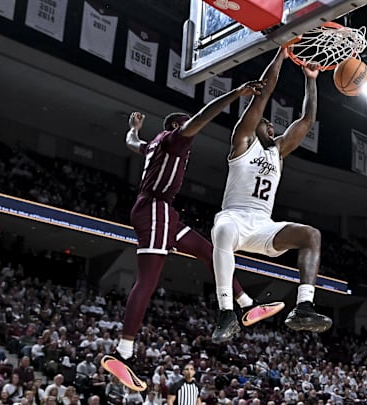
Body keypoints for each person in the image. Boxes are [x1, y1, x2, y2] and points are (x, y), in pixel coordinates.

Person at [101, 80, 285, 391]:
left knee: (207, 250)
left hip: (163, 212)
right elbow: (203, 116)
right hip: (155, 208)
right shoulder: (174, 139)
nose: (190, 128)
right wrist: (236, 94)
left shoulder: (152, 145)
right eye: (184, 123)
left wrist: (133, 128)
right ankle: (123, 352)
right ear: (175, 125)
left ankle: (245, 302)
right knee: (147, 280)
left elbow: (133, 142)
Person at [209, 47, 331, 342]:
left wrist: (311, 79)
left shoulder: (278, 152)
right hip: (235, 219)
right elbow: (262, 94)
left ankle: (303, 306)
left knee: (311, 235)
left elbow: (306, 120)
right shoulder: (242, 141)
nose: (271, 125)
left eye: (273, 124)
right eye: (266, 122)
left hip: (263, 225)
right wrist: (282, 53)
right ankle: (226, 312)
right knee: (222, 229)